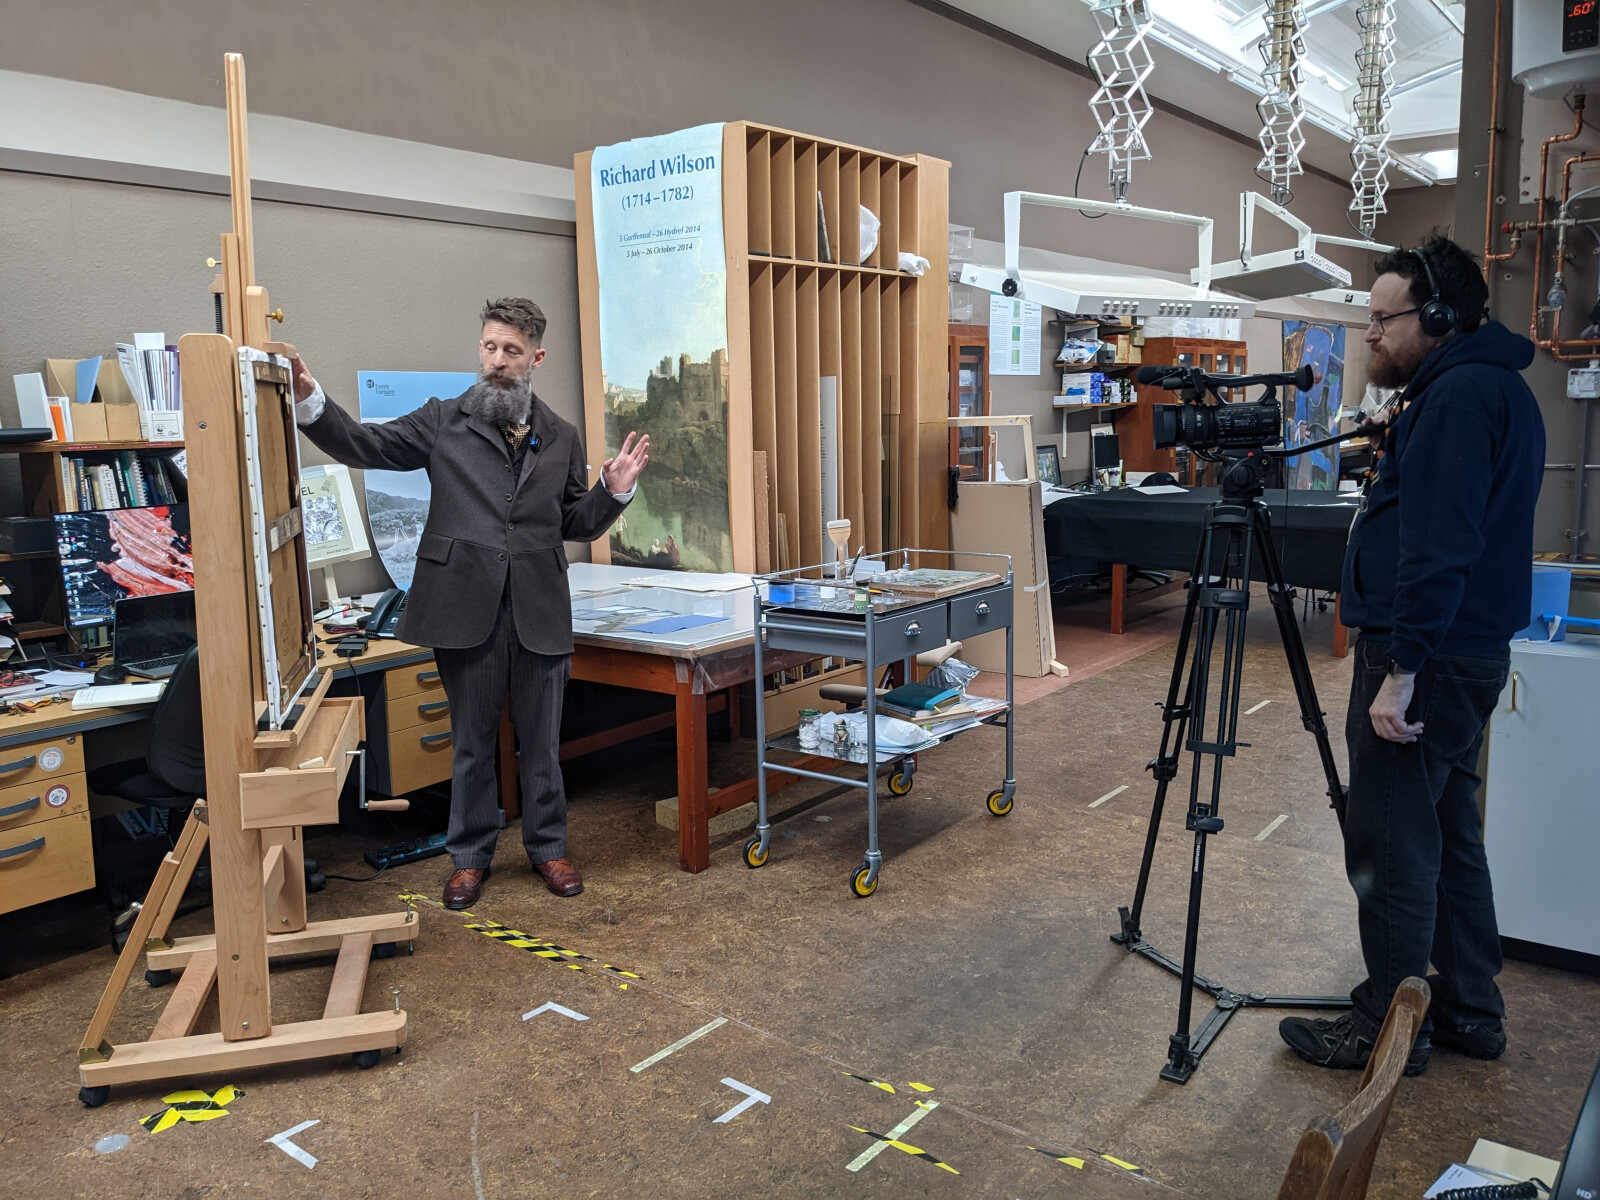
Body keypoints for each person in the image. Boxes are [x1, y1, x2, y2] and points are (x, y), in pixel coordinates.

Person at [1278, 237, 1544, 1076]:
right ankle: (1470, 1007)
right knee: (1449, 835)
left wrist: (1401, 672)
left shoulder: (1460, 398)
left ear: (1434, 319)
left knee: (1391, 843)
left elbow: (1439, 547)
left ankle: (1389, 1032)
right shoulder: (1483, 386)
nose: (1370, 336)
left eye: (1381, 320)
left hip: (1425, 655)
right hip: (1460, 654)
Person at [287, 298, 649, 910]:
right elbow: (362, 444)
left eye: (511, 351)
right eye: (489, 347)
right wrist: (309, 399)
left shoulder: (559, 434)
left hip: (537, 608)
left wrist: (613, 493)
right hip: (464, 607)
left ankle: (548, 848)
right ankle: (470, 857)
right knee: (473, 741)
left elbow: (574, 523)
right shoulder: (442, 421)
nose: (497, 361)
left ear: (535, 357)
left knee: (540, 742)